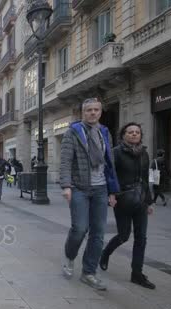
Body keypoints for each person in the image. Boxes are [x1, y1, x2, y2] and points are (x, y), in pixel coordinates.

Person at [60, 98, 119, 291]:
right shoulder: (73, 132)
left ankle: (89, 272)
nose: (93, 113)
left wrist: (113, 191)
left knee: (98, 233)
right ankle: (69, 256)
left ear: (100, 112)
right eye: (89, 110)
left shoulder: (104, 133)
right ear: (83, 113)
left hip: (101, 188)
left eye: (96, 110)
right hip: (79, 187)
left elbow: (109, 163)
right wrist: (66, 186)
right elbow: (66, 161)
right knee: (79, 228)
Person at [100, 123, 156, 289]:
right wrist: (111, 195)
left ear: (140, 135)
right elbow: (110, 175)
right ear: (123, 135)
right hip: (123, 199)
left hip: (141, 199)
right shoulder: (116, 153)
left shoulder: (144, 153)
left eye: (137, 132)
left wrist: (149, 202)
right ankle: (106, 253)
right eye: (130, 132)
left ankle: (137, 274)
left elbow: (145, 179)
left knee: (141, 238)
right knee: (124, 235)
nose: (134, 134)